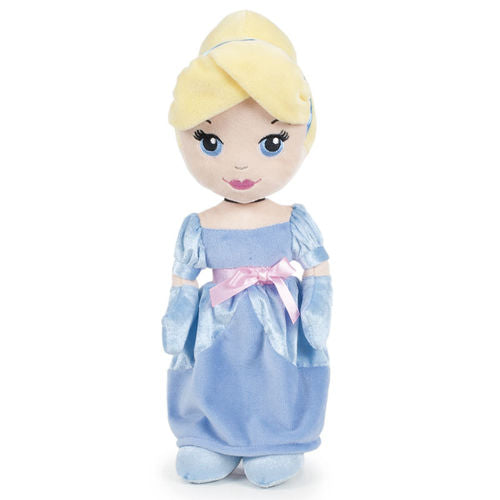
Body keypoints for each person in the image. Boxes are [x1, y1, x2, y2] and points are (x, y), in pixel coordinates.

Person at [162, 10, 332, 488]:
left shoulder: (293, 219)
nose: (240, 164)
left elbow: (317, 267)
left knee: (274, 376)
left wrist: (315, 314)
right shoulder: (199, 225)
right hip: (216, 326)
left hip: (279, 320)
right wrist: (177, 320)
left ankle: (277, 438)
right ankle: (208, 436)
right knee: (214, 372)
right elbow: (183, 277)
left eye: (272, 141)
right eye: (210, 141)